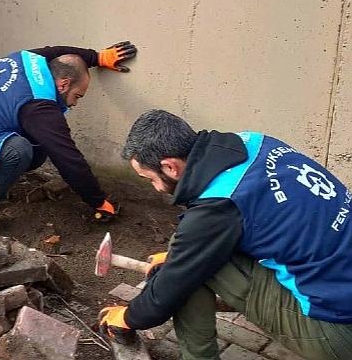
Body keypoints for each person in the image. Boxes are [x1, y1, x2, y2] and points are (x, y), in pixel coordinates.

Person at [98, 109, 352, 359]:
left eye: (150, 179)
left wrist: (128, 317)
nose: (154, 188)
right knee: (189, 257)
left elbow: (163, 298)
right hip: (341, 282)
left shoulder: (217, 207)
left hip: (337, 331)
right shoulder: (254, 143)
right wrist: (180, 257)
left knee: (190, 274)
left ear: (170, 167)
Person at [0, 42, 137, 234]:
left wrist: (97, 58)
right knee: (18, 151)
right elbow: (68, 159)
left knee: (37, 146)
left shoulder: (30, 60)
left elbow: (59, 52)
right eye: (77, 96)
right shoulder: (38, 106)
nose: (74, 103)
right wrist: (97, 200)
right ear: (63, 84)